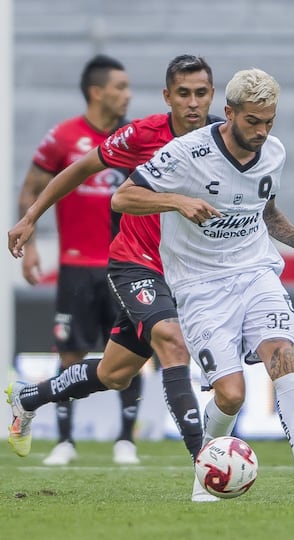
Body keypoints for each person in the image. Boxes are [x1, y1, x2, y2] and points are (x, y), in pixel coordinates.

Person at [110, 68, 294, 500]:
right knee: (230, 395)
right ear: (229, 113)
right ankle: (205, 469)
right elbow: (123, 197)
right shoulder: (185, 153)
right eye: (253, 121)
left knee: (282, 354)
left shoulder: (274, 153)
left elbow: (269, 214)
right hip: (199, 286)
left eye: (269, 122)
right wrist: (178, 200)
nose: (262, 131)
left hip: (256, 271)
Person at [7, 55, 222, 501]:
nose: (193, 102)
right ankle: (204, 463)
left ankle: (28, 398)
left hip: (184, 270)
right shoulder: (143, 134)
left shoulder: (221, 137)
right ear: (168, 97)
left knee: (114, 373)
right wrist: (30, 217)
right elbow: (81, 169)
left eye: (201, 93)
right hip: (134, 261)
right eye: (183, 93)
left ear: (213, 95)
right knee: (171, 340)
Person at [13, 54, 143, 466]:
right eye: (120, 87)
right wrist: (31, 245)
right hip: (74, 264)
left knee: (130, 349)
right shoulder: (63, 137)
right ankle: (64, 441)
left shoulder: (134, 138)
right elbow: (31, 187)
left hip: (124, 264)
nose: (127, 94)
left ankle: (126, 441)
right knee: (70, 353)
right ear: (96, 91)